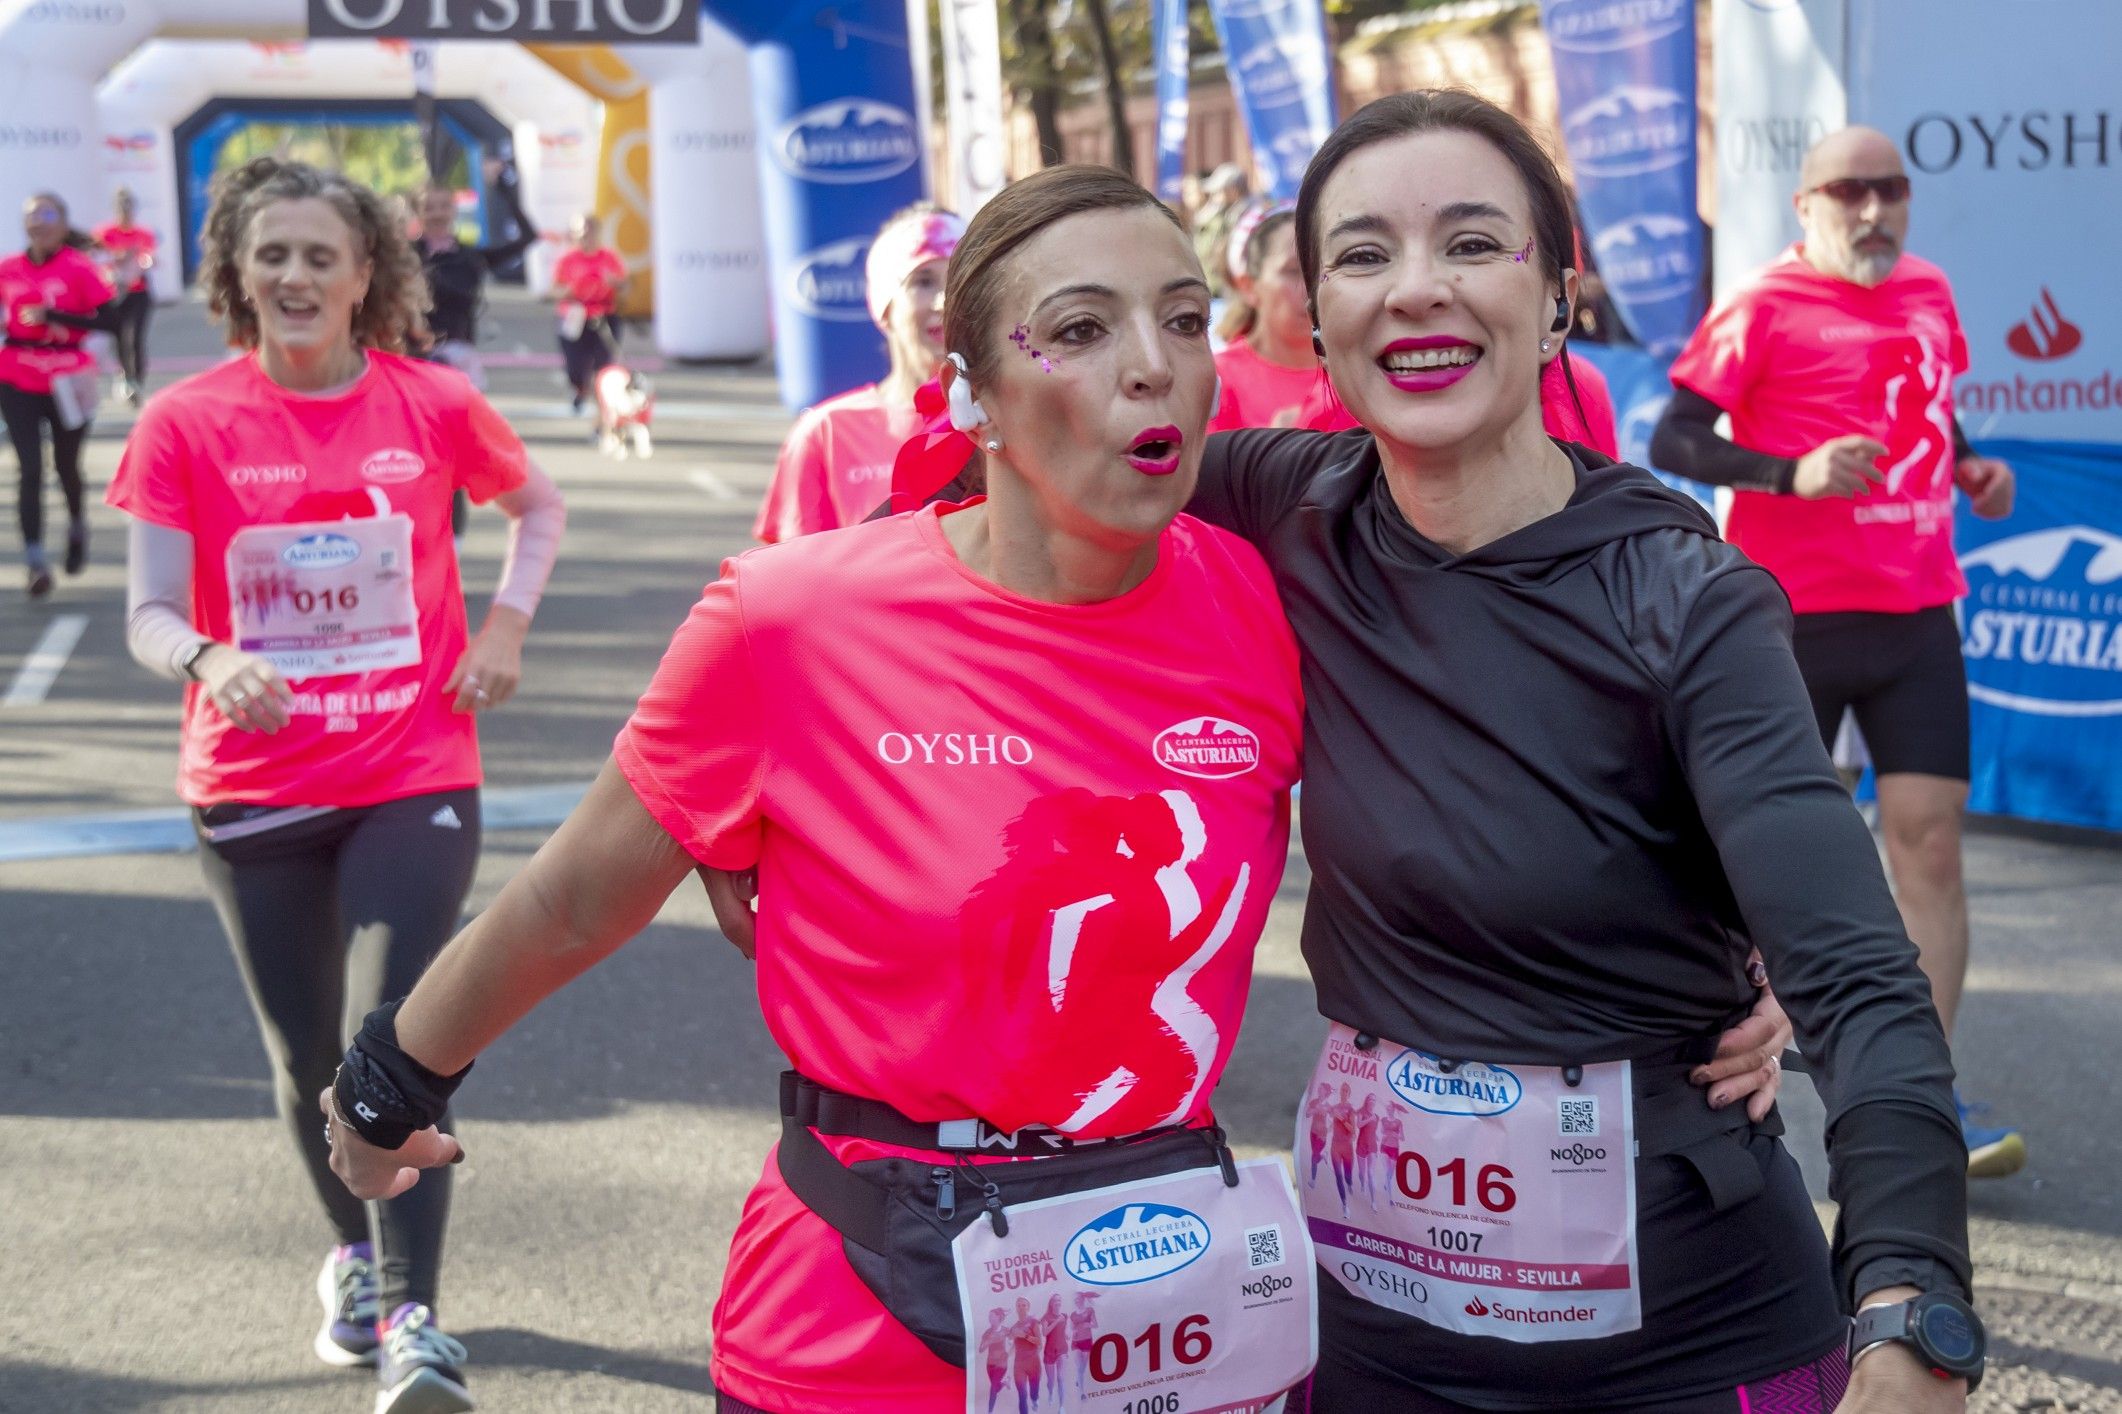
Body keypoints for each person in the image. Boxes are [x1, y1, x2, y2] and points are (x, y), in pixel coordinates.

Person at [320, 164, 1325, 1414]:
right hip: (858, 1312)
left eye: (1182, 319)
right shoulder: (792, 618)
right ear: (975, 393)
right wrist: (392, 1077)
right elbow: (577, 895)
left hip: (1160, 1294)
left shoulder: (1268, 605)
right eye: (1078, 328)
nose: (1154, 363)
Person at [1179, 91, 1974, 1411]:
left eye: (1472, 244)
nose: (1415, 289)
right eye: (1364, 255)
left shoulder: (1683, 598)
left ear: (1555, 298)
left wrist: (1909, 1297)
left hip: (1680, 1334)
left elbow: (1856, 976)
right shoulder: (1287, 498)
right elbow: (1014, 482)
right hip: (1370, 1328)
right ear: (1314, 315)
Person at [108, 156, 565, 1414]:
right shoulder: (187, 422)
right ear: (236, 276)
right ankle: (357, 1264)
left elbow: (539, 509)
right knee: (302, 1054)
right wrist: (208, 655)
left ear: (369, 275)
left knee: (391, 1050)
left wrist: (505, 633)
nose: (297, 276)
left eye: (322, 255)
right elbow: (146, 611)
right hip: (251, 788)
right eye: (273, 256)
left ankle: (417, 1322)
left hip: (412, 769)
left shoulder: (429, 402)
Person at [1652, 126, 2023, 1180]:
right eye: (1849, 191)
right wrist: (1790, 474)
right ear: (1806, 204)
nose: (1872, 210)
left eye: (1889, 189)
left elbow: (1930, 417)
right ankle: (1721, 1074)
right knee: (1752, 864)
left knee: (1930, 845)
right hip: (1786, 619)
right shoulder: (1763, 304)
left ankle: (1925, 1090)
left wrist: (1970, 469)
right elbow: (1677, 437)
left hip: (1914, 610)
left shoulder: (1930, 290)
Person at [753, 204, 964, 543]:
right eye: (923, 281)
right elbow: (798, 578)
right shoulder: (826, 433)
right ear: (885, 305)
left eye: (960, 282)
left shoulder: (1004, 420)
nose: (944, 301)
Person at [3, 191, 119, 598]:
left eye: (47, 215)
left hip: (69, 379)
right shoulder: (8, 269)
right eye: (32, 216)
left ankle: (75, 524)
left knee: (67, 465)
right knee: (30, 467)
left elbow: (113, 321)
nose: (39, 222)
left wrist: (54, 316)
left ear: (63, 223)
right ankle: (35, 560)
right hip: (16, 377)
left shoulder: (80, 268)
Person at [415, 158, 537, 393]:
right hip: (418, 357)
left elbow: (528, 236)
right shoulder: (406, 256)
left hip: (461, 356)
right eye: (429, 207)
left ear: (453, 209)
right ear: (418, 212)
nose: (437, 214)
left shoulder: (470, 257)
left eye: (443, 206)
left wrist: (503, 187)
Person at [1208, 203, 1319, 432]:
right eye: (1293, 270)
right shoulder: (1216, 381)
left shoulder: (1356, 373)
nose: (1312, 286)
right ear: (1248, 287)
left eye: (1319, 269)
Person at [551, 212, 626, 412]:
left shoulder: (609, 257)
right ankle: (579, 388)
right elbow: (554, 290)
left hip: (604, 315)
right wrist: (565, 292)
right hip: (574, 315)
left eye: (589, 233)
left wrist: (616, 283)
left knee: (604, 365)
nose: (585, 238)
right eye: (581, 234)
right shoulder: (567, 259)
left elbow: (625, 286)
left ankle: (603, 406)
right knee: (574, 363)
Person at [95, 187, 158, 406]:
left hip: (138, 292)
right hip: (113, 294)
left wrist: (146, 262)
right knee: (119, 338)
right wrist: (114, 260)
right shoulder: (104, 233)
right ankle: (124, 375)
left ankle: (135, 381)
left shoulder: (143, 234)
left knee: (135, 337)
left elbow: (148, 257)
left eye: (129, 208)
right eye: (122, 208)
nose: (126, 213)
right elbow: (94, 259)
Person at [1191, 162, 1249, 298]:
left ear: (1233, 190)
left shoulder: (1244, 215)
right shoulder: (1230, 214)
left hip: (1238, 289)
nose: (1213, 197)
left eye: (1217, 192)